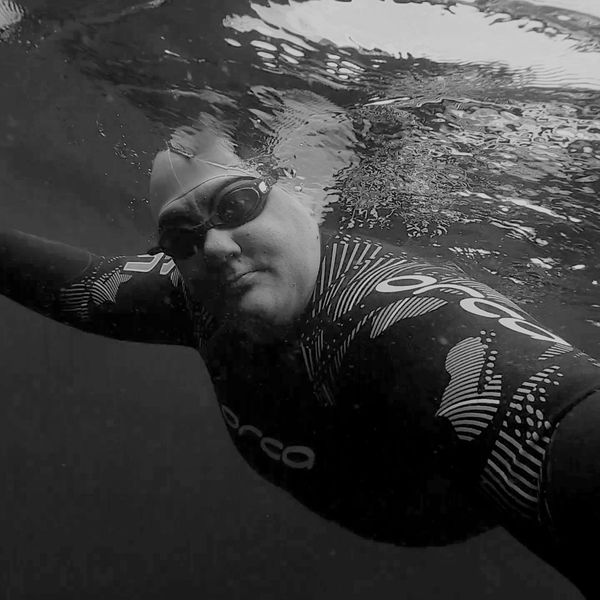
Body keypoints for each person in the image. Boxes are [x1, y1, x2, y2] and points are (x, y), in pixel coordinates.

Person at [1, 128, 600, 598]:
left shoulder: (410, 321)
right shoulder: (195, 291)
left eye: (236, 203)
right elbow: (74, 290)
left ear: (303, 198)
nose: (213, 246)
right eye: (181, 236)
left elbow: (558, 413)